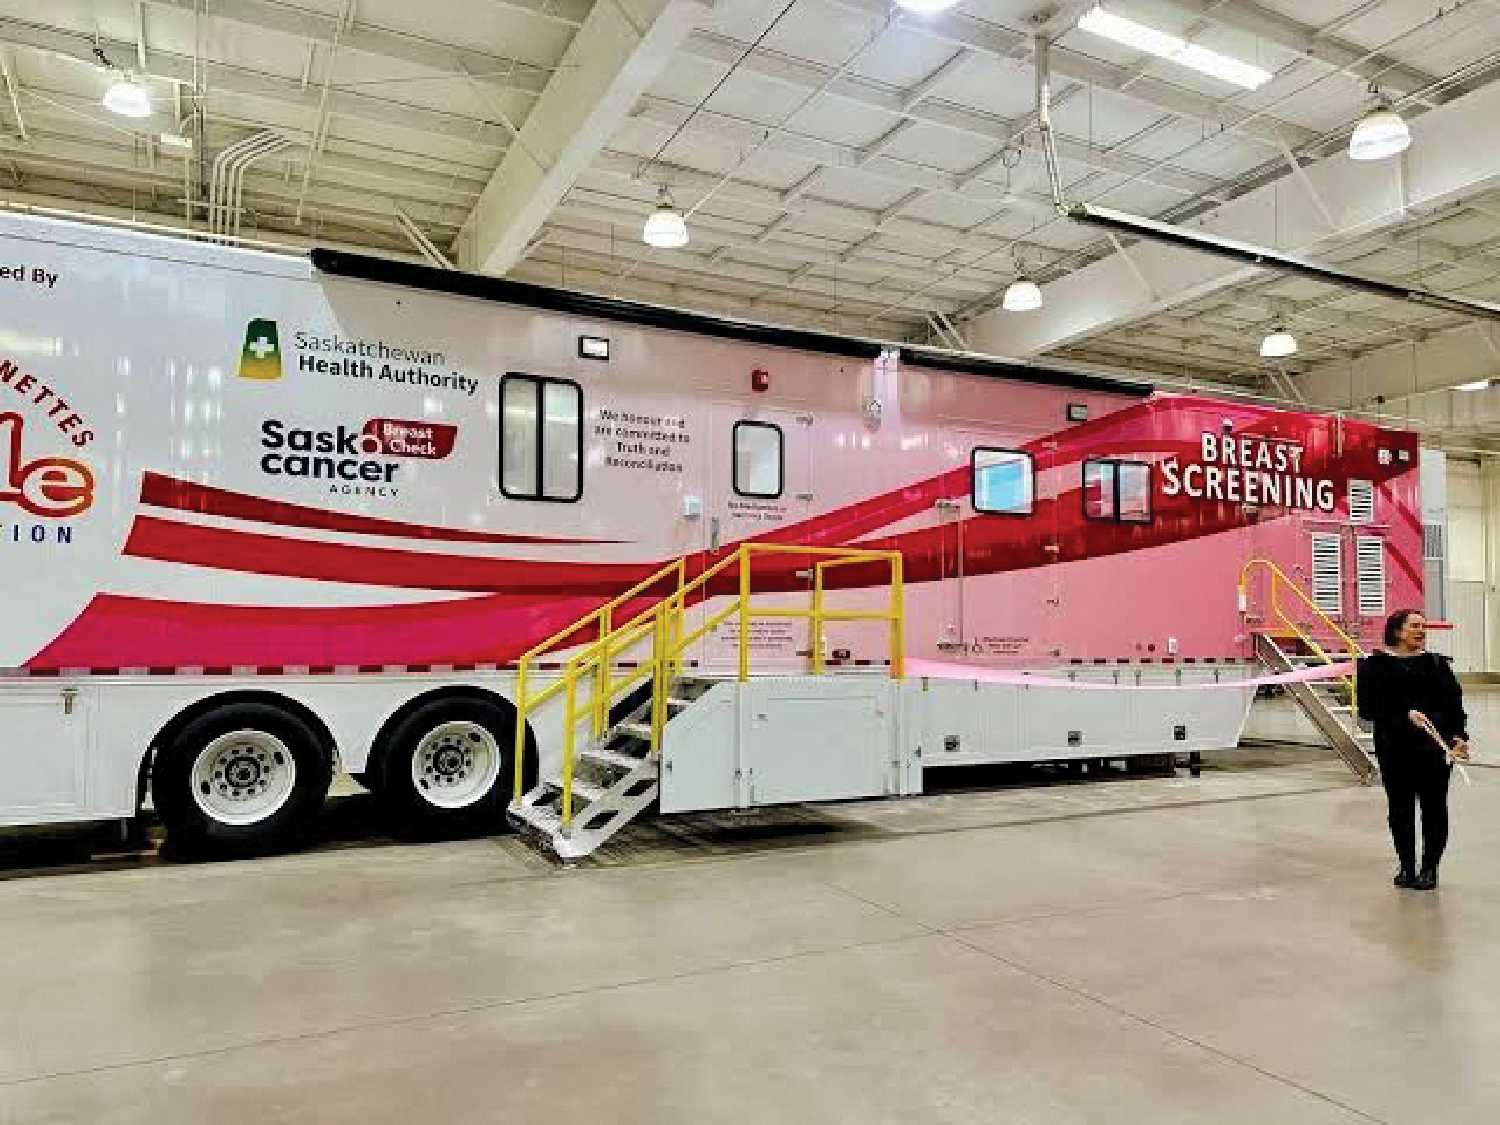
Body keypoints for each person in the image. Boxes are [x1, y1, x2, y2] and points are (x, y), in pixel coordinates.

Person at [1356, 609, 1471, 890]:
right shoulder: (1374, 666)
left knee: (1434, 809)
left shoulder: (1437, 665)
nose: (1421, 631)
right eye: (1414, 626)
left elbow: (1454, 705)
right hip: (1394, 750)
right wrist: (1402, 715)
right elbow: (1368, 709)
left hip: (1434, 750)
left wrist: (1459, 736)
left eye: (1423, 626)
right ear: (1397, 631)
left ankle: (1430, 867)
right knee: (1400, 810)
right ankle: (1406, 865)